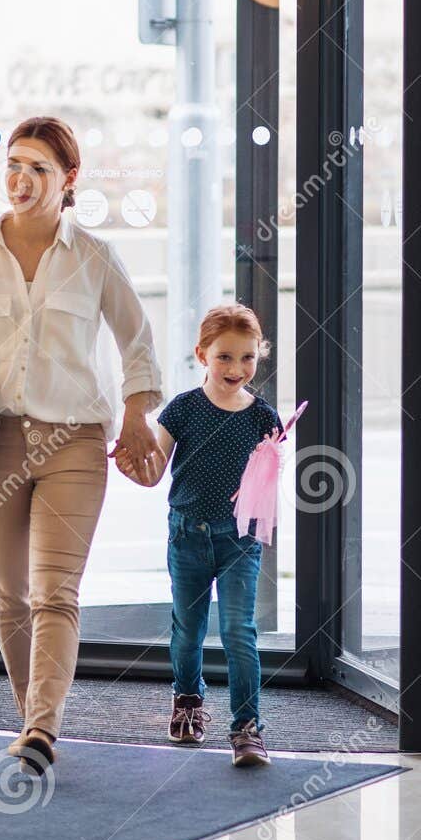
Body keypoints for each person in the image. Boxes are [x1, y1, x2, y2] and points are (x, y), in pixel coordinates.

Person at [0, 116, 163, 774]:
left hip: (75, 445)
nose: (21, 180)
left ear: (68, 181)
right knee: (10, 595)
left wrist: (138, 414)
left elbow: (137, 343)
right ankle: (34, 723)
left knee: (55, 591)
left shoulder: (92, 256)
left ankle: (39, 729)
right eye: (14, 165)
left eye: (38, 169)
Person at [115, 302, 279, 768]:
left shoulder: (263, 417)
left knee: (237, 630)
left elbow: (266, 487)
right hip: (187, 535)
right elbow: (154, 473)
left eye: (247, 357)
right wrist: (134, 469)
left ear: (258, 356)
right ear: (202, 354)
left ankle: (246, 727)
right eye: (225, 356)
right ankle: (187, 699)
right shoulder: (183, 409)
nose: (236, 368)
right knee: (188, 630)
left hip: (239, 541)